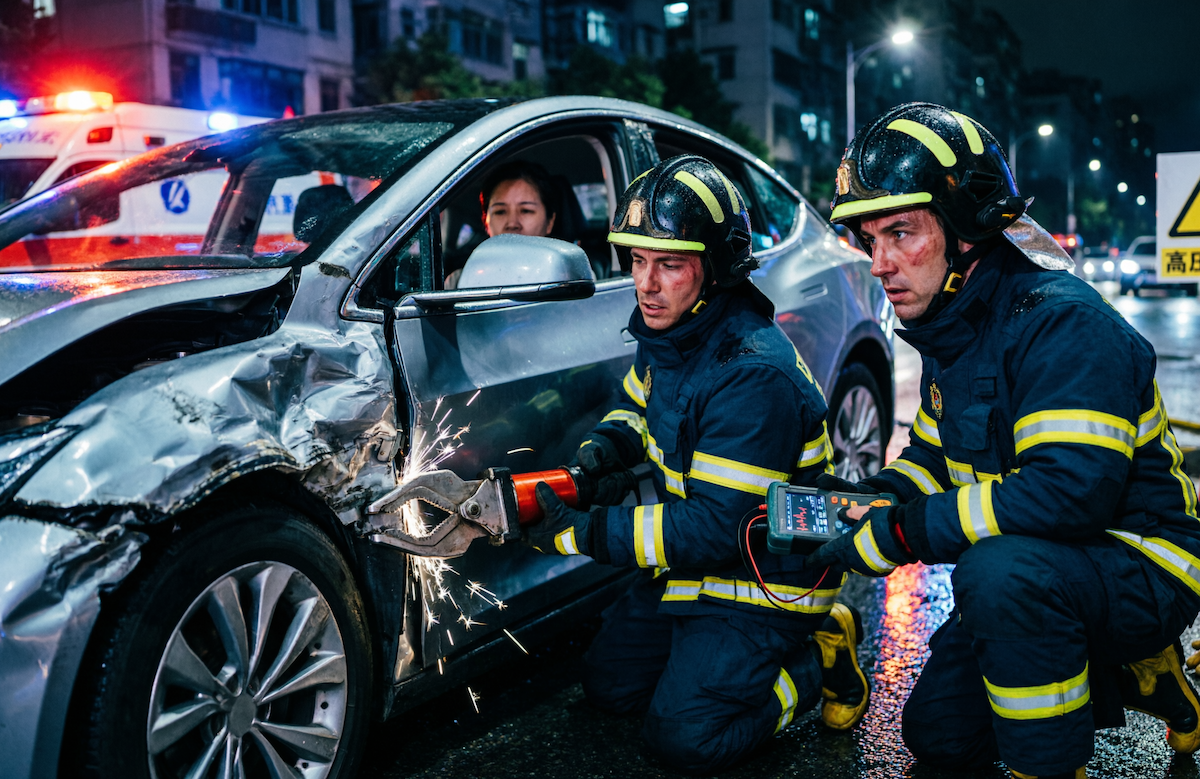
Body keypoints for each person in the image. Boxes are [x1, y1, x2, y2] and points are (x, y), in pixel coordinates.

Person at [807, 102, 1200, 779]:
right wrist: (872, 498)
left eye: (900, 232)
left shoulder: (1063, 326)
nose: (880, 263)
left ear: (967, 230)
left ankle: (1051, 763)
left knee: (998, 578)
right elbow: (933, 457)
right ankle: (1138, 670)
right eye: (869, 240)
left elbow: (1066, 496)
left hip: (1142, 562)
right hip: (1048, 567)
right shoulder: (952, 325)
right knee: (938, 734)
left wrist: (897, 534)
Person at [524, 155, 871, 774]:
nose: (646, 285)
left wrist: (584, 532)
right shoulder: (675, 333)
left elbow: (717, 527)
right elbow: (640, 407)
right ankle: (718, 664)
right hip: (700, 560)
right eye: (637, 261)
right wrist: (606, 451)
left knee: (686, 738)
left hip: (770, 573)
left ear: (713, 271)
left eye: (670, 265)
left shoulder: (751, 373)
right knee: (611, 687)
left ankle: (815, 664)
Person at [445, 160, 560, 288]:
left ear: (550, 222)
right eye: (500, 212)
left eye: (526, 211)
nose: (512, 223)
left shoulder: (568, 282)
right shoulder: (460, 284)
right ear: (486, 222)